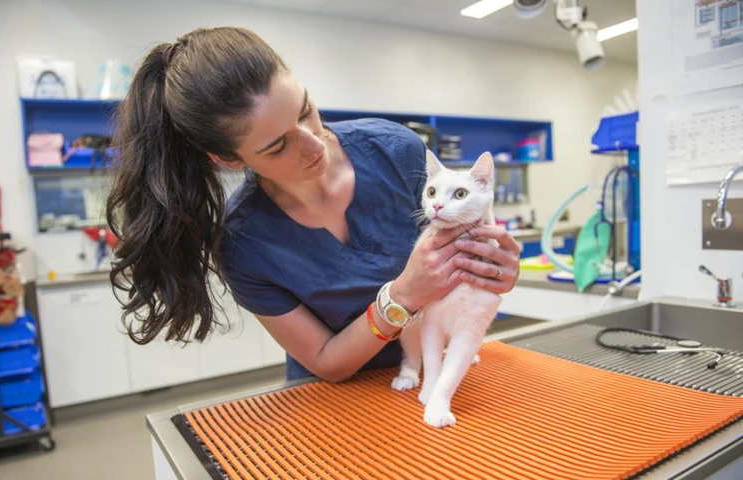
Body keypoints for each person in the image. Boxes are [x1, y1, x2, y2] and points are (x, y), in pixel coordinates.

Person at [106, 27, 521, 382]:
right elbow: (327, 363)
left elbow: (457, 265)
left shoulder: (397, 151)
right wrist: (402, 295)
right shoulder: (243, 243)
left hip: (439, 373)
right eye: (277, 145)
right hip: (331, 406)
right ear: (229, 160)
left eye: (305, 111)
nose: (312, 143)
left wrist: (490, 269)